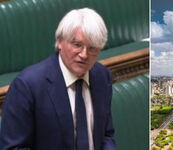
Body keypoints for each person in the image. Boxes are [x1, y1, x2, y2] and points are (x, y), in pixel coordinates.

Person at [0, 8, 116, 150]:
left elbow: (106, 135)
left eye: (92, 48)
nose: (84, 55)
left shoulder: (102, 76)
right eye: (77, 45)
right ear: (60, 42)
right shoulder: (28, 85)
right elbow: (13, 148)